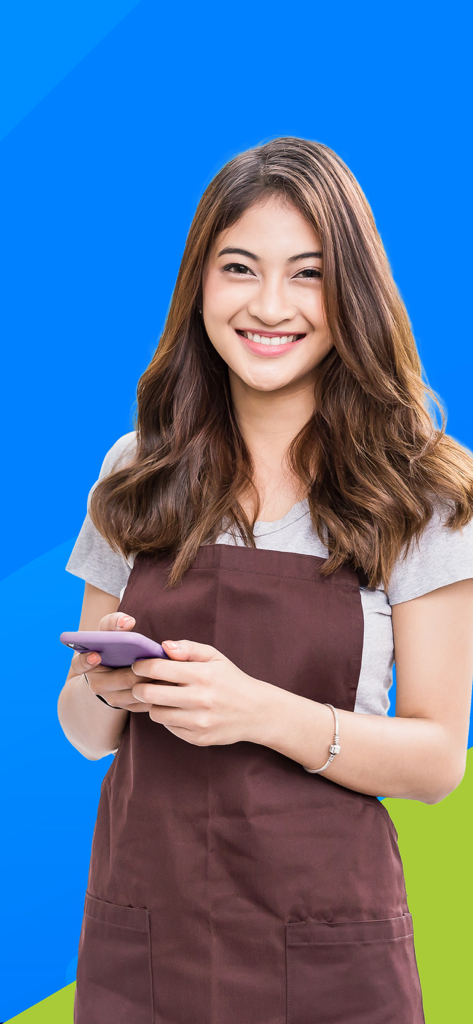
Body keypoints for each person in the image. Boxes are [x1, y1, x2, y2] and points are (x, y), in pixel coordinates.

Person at [58, 137, 473, 1024]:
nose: (270, 306)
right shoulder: (133, 472)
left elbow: (439, 762)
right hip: (145, 943)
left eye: (308, 274)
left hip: (325, 950)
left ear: (349, 292)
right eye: (239, 268)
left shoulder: (419, 489)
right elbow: (83, 732)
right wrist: (105, 687)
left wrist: (257, 712)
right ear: (199, 285)